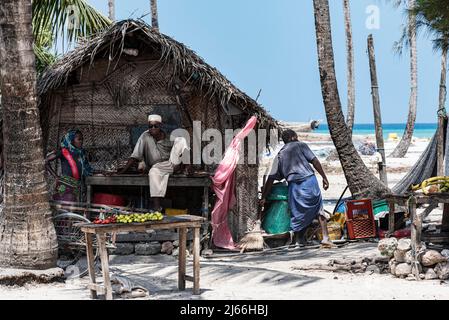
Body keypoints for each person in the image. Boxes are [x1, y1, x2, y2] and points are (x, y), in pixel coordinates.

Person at [260, 129, 332, 246]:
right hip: (309, 181)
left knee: (297, 212)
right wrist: (324, 177)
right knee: (318, 209)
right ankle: (325, 237)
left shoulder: (280, 155)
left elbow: (270, 179)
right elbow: (315, 161)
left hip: (294, 186)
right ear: (293, 137)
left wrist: (264, 196)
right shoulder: (301, 146)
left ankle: (298, 240)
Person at [118, 114, 189, 211]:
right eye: (150, 126)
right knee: (153, 171)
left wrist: (185, 164)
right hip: (156, 167)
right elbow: (135, 155)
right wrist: (122, 171)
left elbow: (181, 150)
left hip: (172, 164)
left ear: (161, 126)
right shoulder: (145, 136)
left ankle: (187, 168)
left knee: (181, 139)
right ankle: (157, 207)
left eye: (156, 126)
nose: (153, 128)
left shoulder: (168, 137)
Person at [46, 129, 93, 202]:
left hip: (77, 185)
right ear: (71, 140)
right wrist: (56, 176)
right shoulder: (63, 151)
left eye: (82, 139)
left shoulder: (81, 153)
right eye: (79, 139)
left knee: (73, 208)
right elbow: (46, 161)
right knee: (64, 207)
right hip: (65, 184)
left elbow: (86, 168)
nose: (81, 141)